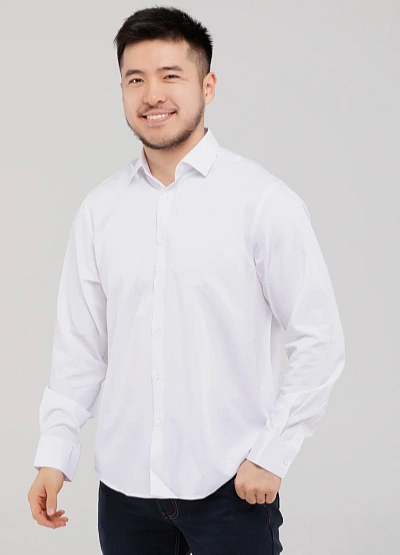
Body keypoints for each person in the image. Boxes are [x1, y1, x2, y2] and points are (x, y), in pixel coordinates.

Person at [27, 6, 346, 554]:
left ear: (208, 86)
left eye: (170, 75)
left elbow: (319, 338)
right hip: (125, 491)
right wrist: (54, 454)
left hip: (231, 486)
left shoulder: (262, 202)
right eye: (135, 79)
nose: (152, 94)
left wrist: (273, 452)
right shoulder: (100, 210)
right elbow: (80, 347)